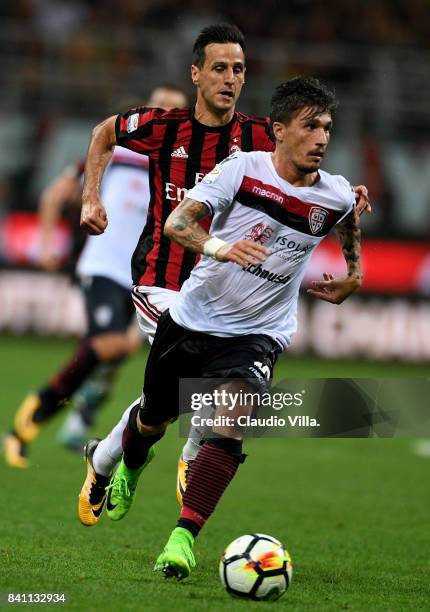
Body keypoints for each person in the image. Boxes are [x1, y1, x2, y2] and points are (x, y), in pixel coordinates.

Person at [77, 24, 371, 527]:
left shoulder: (259, 135)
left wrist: (348, 194)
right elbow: (103, 133)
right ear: (196, 74)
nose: (230, 78)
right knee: (198, 392)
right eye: (219, 67)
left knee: (181, 399)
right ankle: (183, 457)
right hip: (162, 281)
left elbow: (305, 169)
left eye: (238, 69)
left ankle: (113, 459)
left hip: (225, 293)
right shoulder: (162, 126)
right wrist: (91, 195)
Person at [3, 84, 188, 468]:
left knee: (128, 352)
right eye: (160, 106)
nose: (167, 113)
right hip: (102, 267)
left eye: (176, 109)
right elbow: (55, 195)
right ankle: (41, 409)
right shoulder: (119, 150)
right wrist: (48, 246)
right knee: (111, 345)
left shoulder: (184, 166)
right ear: (147, 109)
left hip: (145, 276)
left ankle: (61, 420)